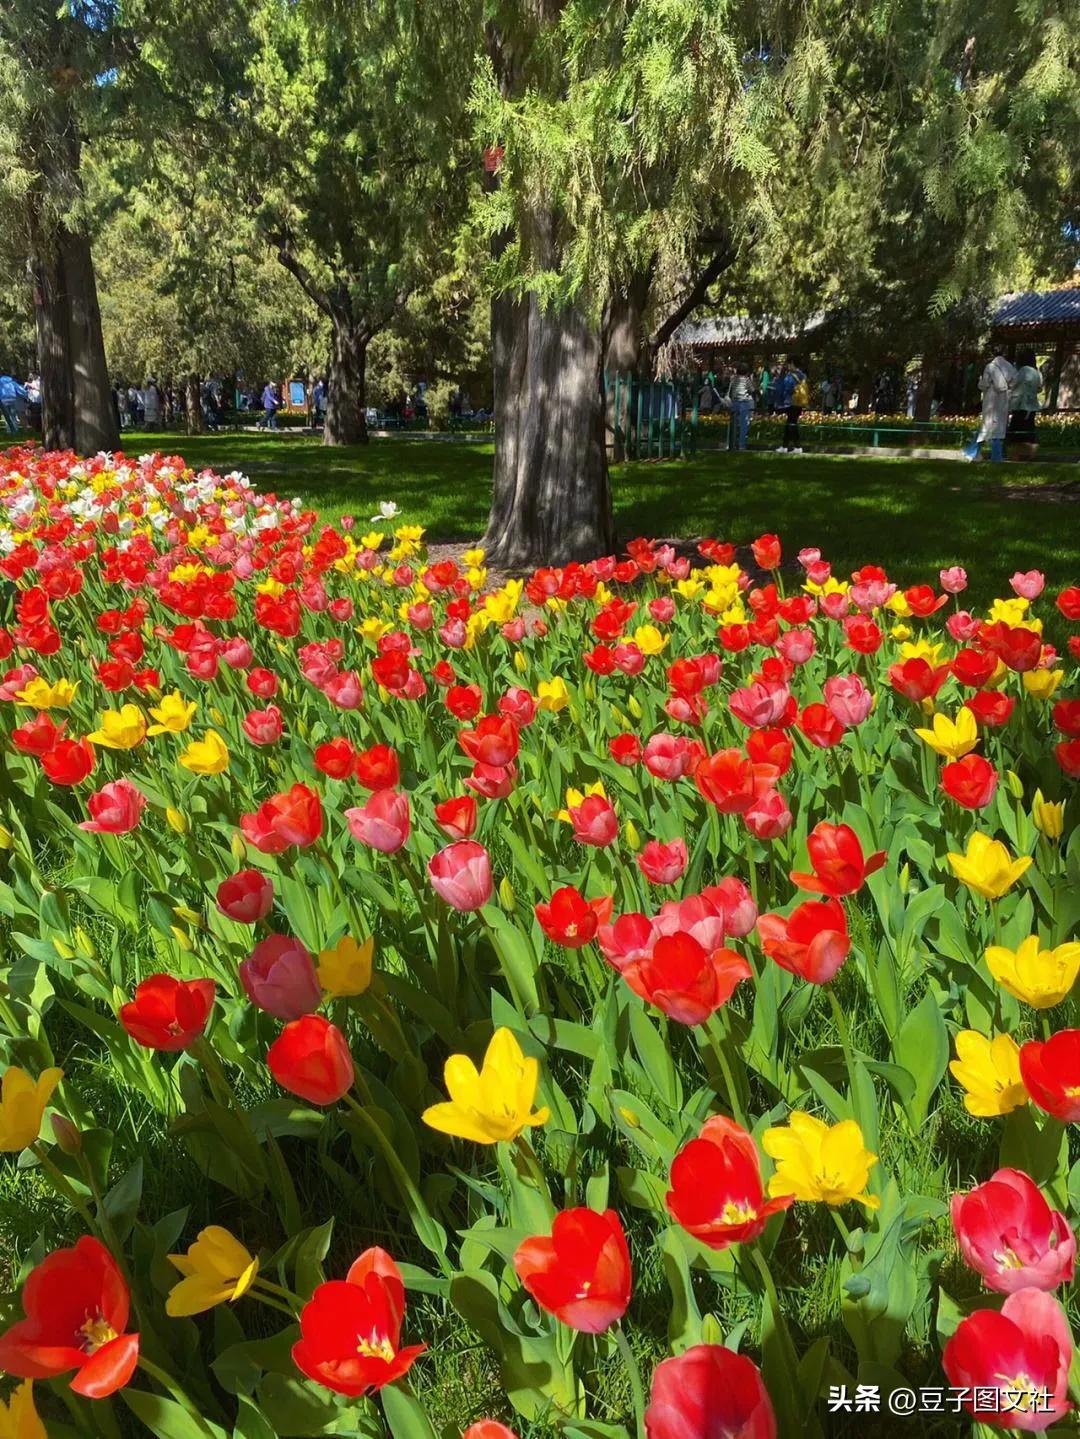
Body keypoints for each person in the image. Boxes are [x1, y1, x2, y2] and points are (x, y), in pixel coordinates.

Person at [965, 353, 1016, 462]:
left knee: (986, 427)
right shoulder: (1009, 366)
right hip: (1004, 399)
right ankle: (997, 456)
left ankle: (973, 453)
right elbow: (1014, 382)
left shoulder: (990, 366)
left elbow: (984, 384)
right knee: (999, 428)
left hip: (991, 398)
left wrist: (980, 383)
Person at [1008, 349, 1042, 454]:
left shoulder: (1023, 370)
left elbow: (1013, 384)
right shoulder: (1037, 372)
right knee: (1029, 430)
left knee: (1017, 432)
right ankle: (1029, 452)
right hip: (1032, 405)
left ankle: (1018, 453)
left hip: (1021, 405)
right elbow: (1039, 388)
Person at [777, 359, 807, 453]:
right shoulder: (802, 375)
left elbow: (787, 387)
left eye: (789, 364)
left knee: (791, 425)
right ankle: (785, 446)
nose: (788, 366)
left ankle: (797, 447)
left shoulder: (790, 376)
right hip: (799, 402)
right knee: (790, 424)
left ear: (792, 364)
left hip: (791, 402)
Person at [727, 361, 755, 451]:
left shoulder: (733, 379)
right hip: (744, 403)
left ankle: (731, 443)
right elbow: (752, 390)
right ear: (746, 371)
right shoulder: (746, 380)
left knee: (733, 424)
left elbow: (730, 391)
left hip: (734, 402)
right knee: (743, 425)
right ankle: (742, 445)